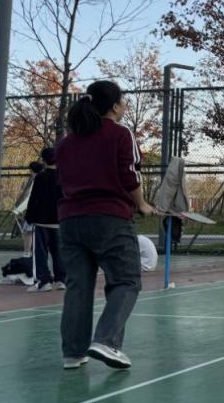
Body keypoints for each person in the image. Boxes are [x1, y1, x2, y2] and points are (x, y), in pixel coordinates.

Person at [56, 80, 155, 370]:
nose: (125, 105)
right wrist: (142, 204)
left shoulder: (67, 142)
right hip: (110, 218)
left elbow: (63, 180)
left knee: (78, 286)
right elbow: (129, 174)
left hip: (70, 220)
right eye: (122, 100)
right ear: (114, 105)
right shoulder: (120, 133)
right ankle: (106, 341)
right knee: (126, 280)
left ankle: (73, 353)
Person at [24, 148, 65, 292]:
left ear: (43, 160)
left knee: (41, 253)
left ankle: (44, 281)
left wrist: (29, 217)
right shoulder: (63, 177)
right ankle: (61, 280)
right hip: (59, 220)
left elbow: (34, 199)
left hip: (42, 221)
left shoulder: (40, 177)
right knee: (59, 252)